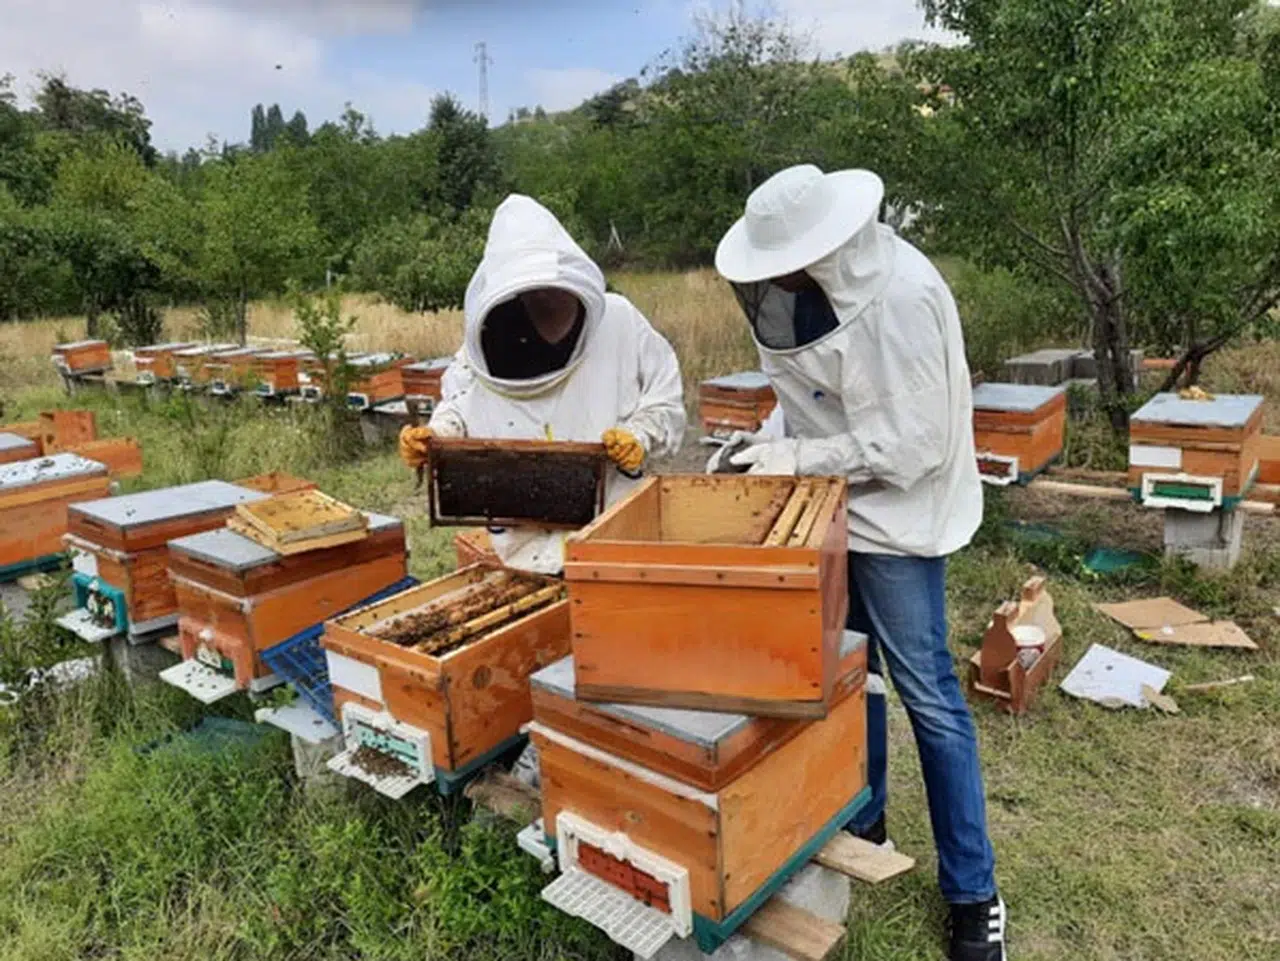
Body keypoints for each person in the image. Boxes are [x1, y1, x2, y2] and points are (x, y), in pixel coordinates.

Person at [712, 165, 1003, 961]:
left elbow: (915, 447)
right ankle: (863, 816)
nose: (776, 282)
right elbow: (807, 396)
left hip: (901, 520)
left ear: (825, 249)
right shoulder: (797, 293)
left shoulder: (902, 297)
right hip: (835, 507)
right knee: (850, 673)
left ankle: (974, 893)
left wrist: (800, 459)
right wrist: (765, 443)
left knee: (929, 697)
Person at [399, 194, 686, 575]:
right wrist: (438, 435)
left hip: (616, 537)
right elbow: (461, 404)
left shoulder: (619, 323)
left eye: (551, 294)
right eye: (530, 298)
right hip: (526, 552)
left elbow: (665, 400)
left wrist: (640, 434)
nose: (544, 307)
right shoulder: (483, 348)